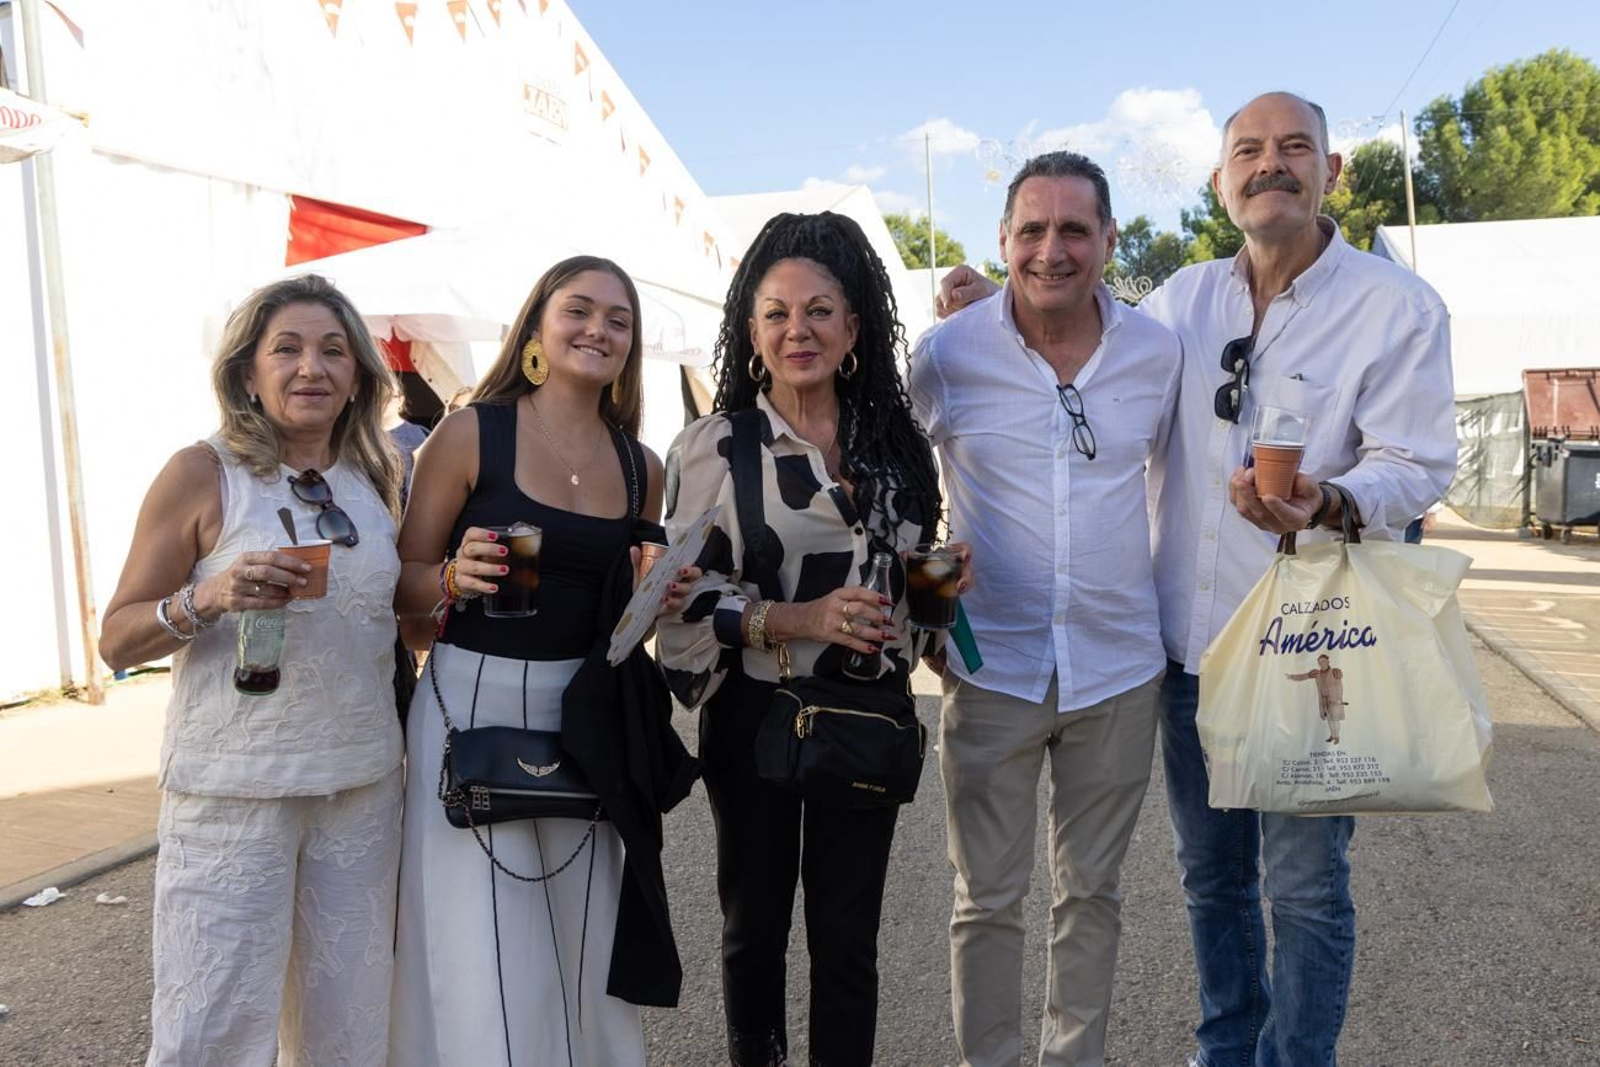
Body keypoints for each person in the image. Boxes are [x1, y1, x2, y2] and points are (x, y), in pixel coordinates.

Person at [938, 91, 1456, 1067]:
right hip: (1183, 647)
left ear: (1330, 172)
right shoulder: (1180, 302)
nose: (1271, 165)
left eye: (1294, 148)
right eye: (1248, 152)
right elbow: (1083, 355)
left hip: (1312, 648)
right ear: (1220, 183)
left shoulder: (1396, 306)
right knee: (1208, 880)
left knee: (1303, 886)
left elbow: (1419, 459)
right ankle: (1224, 1050)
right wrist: (999, 309)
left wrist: (1330, 498)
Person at [656, 212, 954, 1067]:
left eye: (820, 310)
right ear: (751, 331)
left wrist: (936, 588)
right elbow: (682, 601)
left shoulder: (897, 450)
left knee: (848, 940)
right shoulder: (714, 447)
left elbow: (911, 594)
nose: (799, 330)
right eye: (778, 312)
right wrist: (795, 618)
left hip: (867, 710)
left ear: (854, 328)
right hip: (756, 713)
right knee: (754, 928)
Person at [388, 255, 697, 1067]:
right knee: (483, 953)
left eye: (618, 320)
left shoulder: (642, 465)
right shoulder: (470, 433)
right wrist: (455, 576)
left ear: (631, 348)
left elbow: (624, 625)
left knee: (584, 948)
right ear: (537, 325)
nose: (598, 328)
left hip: (586, 717)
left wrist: (657, 595)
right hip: (471, 701)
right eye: (579, 309)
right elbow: (402, 592)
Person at [907, 151, 1180, 1067]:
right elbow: (897, 498)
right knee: (985, 897)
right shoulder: (946, 354)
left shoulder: (1157, 353)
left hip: (1119, 666)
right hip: (992, 669)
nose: (1051, 250)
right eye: (1032, 230)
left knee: (1092, 893)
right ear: (1003, 240)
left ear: (1108, 238)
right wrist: (926, 612)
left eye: (1074, 229)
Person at [99, 274, 406, 1065]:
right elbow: (118, 638)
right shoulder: (202, 473)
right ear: (247, 373)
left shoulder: (373, 480)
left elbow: (389, 616)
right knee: (215, 1026)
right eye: (289, 348)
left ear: (358, 376)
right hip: (235, 794)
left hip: (361, 789)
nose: (313, 367)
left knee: (350, 1026)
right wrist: (209, 595)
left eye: (334, 351)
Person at [1287, 654, 1347, 744]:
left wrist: (1338, 699)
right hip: (1324, 700)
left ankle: (1337, 737)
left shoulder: (1335, 671)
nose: (1321, 663)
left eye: (1323, 661)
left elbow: (1339, 686)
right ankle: (1332, 735)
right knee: (1329, 719)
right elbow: (1304, 676)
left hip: (1334, 700)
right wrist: (1292, 677)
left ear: (1328, 661)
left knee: (1335, 719)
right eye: (1319, 662)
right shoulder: (1316, 673)